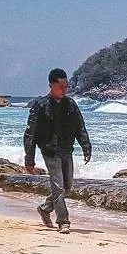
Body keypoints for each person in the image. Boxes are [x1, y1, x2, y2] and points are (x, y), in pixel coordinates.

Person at [23, 69, 92, 234]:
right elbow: (30, 134)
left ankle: (45, 208)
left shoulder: (71, 104)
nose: (64, 90)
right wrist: (29, 158)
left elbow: (80, 127)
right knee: (58, 187)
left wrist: (86, 147)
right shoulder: (40, 105)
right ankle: (63, 221)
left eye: (66, 86)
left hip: (66, 150)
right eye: (61, 86)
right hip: (49, 151)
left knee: (67, 187)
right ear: (51, 86)